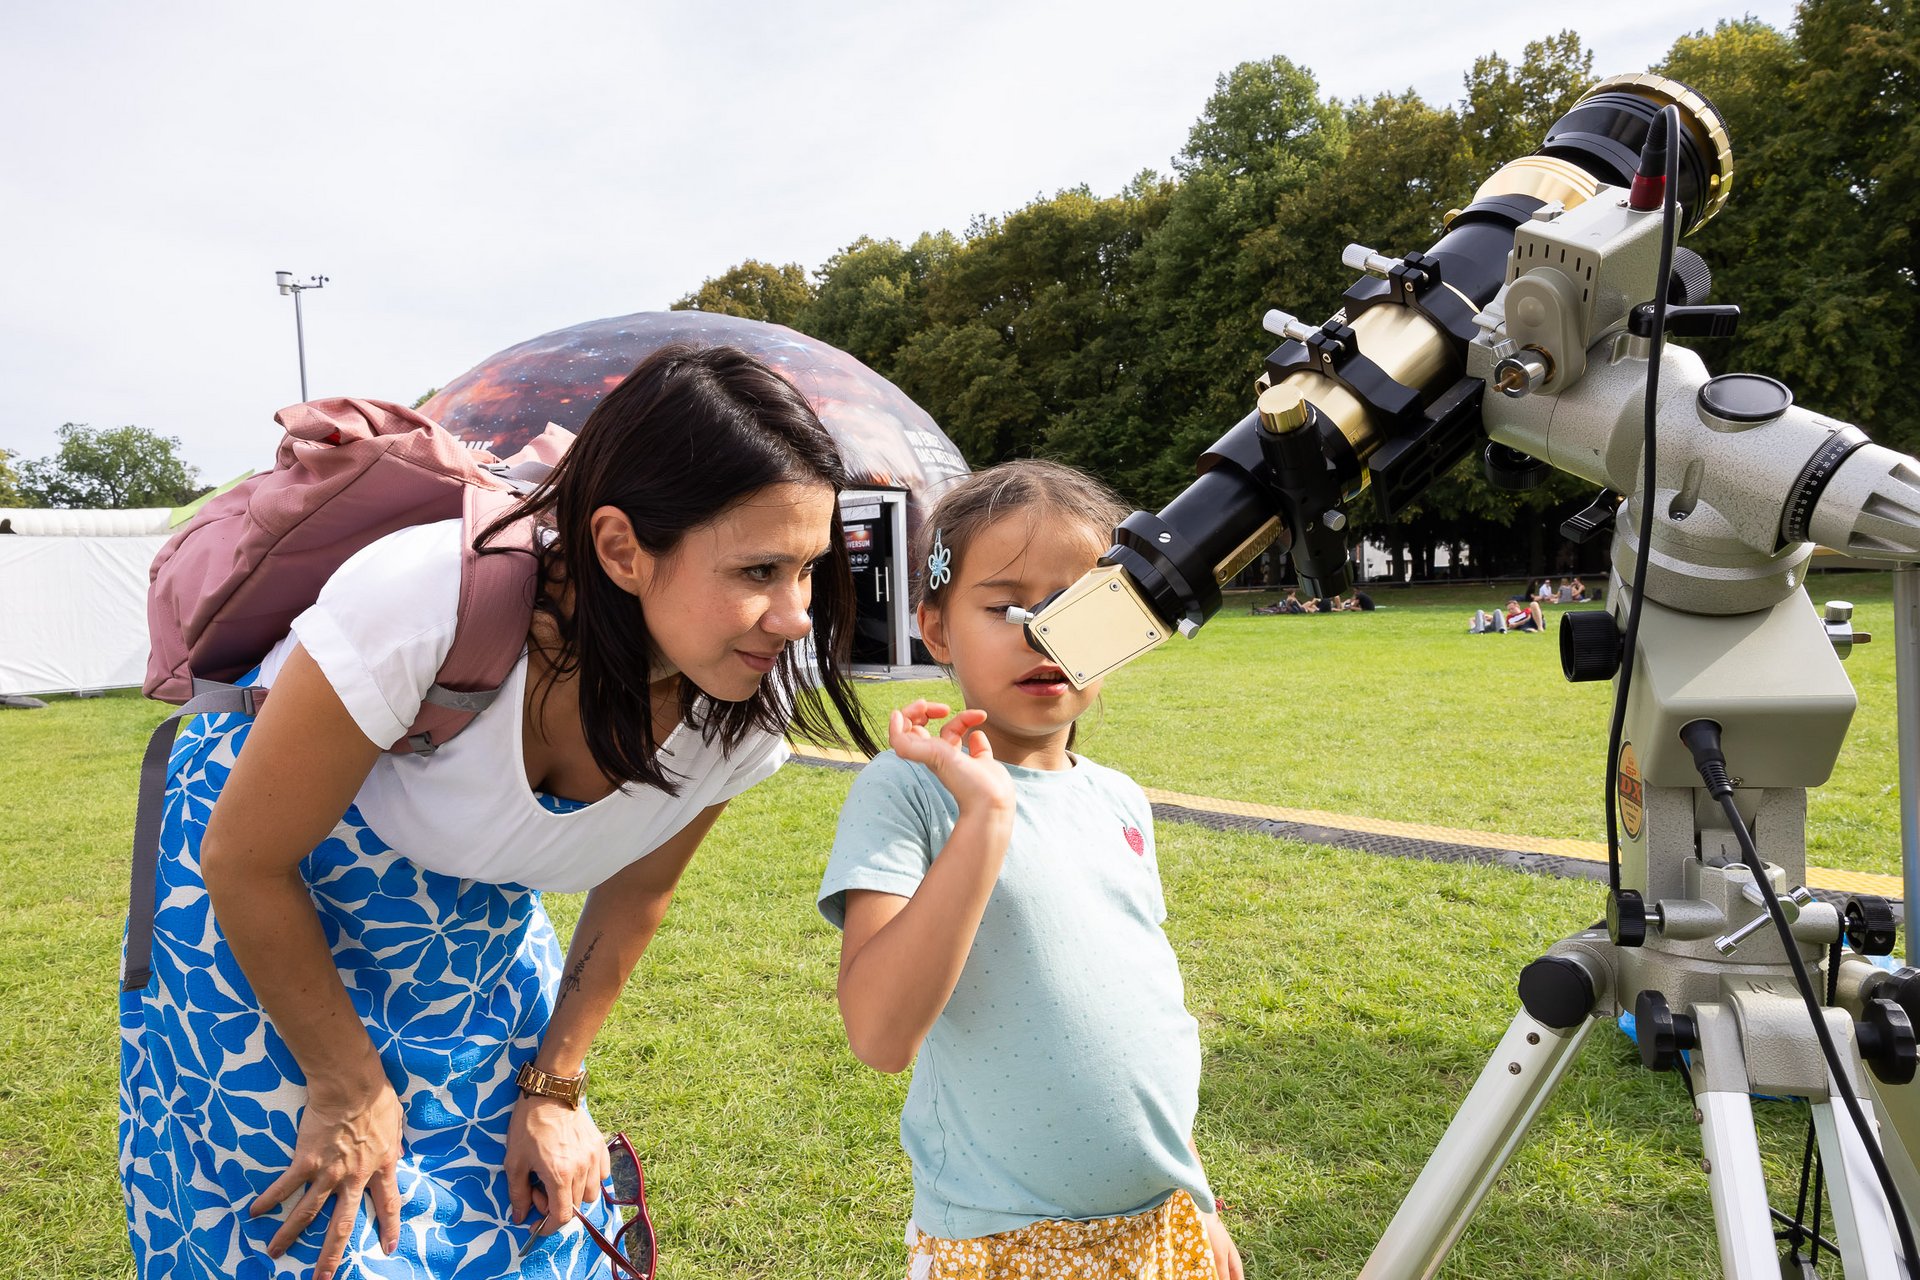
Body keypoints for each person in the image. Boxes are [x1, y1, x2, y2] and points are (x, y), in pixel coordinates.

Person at [119, 345, 879, 1280]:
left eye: (809, 568)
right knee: (325, 1219)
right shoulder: (422, 598)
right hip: (266, 868)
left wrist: (555, 1088)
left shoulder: (742, 702)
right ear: (620, 550)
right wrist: (346, 1082)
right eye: (759, 569)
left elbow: (636, 892)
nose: (796, 615)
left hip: (467, 886)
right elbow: (244, 859)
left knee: (524, 1218)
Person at [819, 461, 1242, 1280]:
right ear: (936, 630)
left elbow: (1145, 1015)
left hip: (1162, 1225)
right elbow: (879, 1033)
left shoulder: (1118, 798)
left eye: (1078, 604)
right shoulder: (911, 788)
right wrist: (984, 816)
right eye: (1006, 607)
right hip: (1002, 1245)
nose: (1045, 633)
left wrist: (1195, 1196)